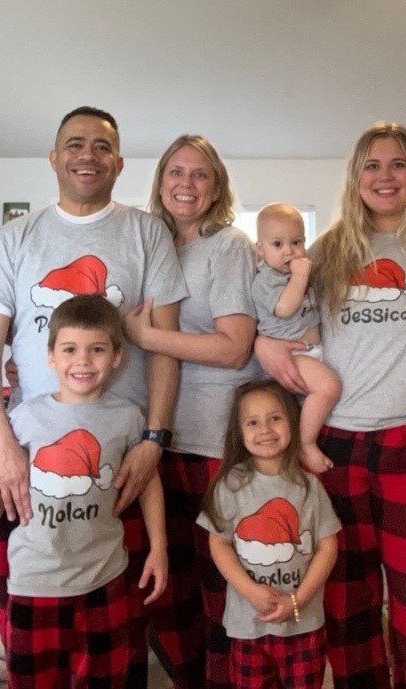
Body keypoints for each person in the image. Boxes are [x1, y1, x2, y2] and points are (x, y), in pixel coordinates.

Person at [0, 106, 186, 686]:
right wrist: (0, 444)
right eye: (74, 143)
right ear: (53, 158)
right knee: (35, 641)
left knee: (113, 642)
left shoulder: (145, 231)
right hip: (28, 458)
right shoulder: (18, 237)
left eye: (101, 145)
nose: (87, 154)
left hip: (122, 457)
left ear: (118, 161)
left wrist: (154, 439)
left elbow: (164, 345)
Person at [257, 122, 406, 689]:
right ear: (355, 177)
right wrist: (262, 342)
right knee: (347, 595)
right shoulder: (325, 251)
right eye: (371, 165)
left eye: (397, 163)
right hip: (338, 445)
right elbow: (282, 322)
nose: (384, 176)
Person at [0, 295, 168, 688]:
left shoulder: (127, 417)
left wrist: (158, 548)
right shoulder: (25, 417)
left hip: (104, 578)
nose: (83, 361)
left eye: (97, 350)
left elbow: (148, 483)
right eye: (70, 349)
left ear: (117, 357)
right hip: (34, 580)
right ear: (51, 357)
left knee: (105, 678)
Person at [121, 133, 259, 689]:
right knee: (164, 585)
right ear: (159, 183)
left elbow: (233, 347)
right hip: (154, 437)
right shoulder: (145, 247)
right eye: (176, 172)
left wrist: (143, 335)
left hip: (212, 443)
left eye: (200, 175)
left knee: (218, 583)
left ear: (216, 186)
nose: (186, 184)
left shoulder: (225, 247)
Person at [197, 380, 341, 689]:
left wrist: (297, 599)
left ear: (292, 421)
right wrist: (249, 590)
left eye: (275, 417)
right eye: (252, 421)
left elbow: (327, 546)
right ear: (240, 431)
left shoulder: (309, 486)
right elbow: (219, 543)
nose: (265, 429)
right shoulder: (230, 485)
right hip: (248, 626)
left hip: (304, 623)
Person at [251, 203, 342, 474]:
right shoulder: (267, 279)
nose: (288, 251)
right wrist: (301, 275)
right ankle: (306, 443)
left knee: (313, 401)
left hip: (310, 351)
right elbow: (284, 308)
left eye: (296, 242)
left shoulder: (294, 274)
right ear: (260, 249)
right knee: (328, 387)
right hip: (292, 354)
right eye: (277, 244)